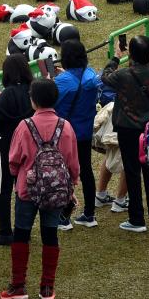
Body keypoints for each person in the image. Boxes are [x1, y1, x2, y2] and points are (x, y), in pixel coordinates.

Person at [1, 78, 80, 299]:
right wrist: (71, 185)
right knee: (50, 235)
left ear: (33, 100)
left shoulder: (24, 126)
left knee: (21, 234)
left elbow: (13, 161)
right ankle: (47, 288)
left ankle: (18, 286)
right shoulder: (66, 127)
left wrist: (20, 175)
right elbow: (73, 163)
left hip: (27, 190)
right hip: (56, 191)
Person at [100, 35, 149, 232]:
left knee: (132, 172)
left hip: (128, 129)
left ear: (131, 55)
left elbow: (105, 76)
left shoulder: (123, 75)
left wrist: (116, 57)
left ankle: (137, 219)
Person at [53, 39, 100, 229]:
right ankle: (89, 213)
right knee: (86, 170)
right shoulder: (91, 75)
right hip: (85, 132)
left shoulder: (61, 82)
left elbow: (52, 99)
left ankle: (64, 216)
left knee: (63, 172)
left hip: (64, 135)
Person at [0, 55, 35, 245]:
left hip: (6, 145)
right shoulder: (33, 91)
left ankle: (5, 231)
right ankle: (23, 229)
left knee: (4, 189)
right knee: (23, 188)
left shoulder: (7, 94)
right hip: (28, 145)